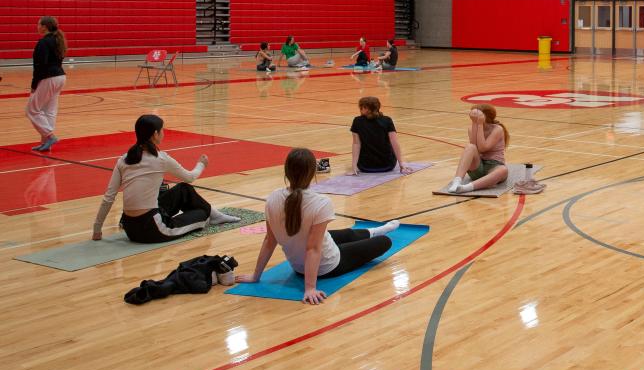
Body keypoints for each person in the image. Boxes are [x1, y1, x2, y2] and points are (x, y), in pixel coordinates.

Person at [235, 148, 400, 305]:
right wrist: (310, 288)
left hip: (298, 266)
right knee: (385, 242)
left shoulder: (272, 198)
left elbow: (269, 241)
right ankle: (380, 233)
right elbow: (313, 249)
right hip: (327, 266)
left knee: (346, 234)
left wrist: (256, 276)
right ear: (313, 173)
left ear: (286, 172)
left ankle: (377, 229)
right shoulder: (321, 203)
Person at [92, 114, 240, 243]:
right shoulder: (161, 159)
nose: (164, 134)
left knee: (183, 189)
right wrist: (201, 164)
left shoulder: (123, 159)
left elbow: (108, 198)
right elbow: (190, 177)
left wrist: (97, 229)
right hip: (152, 230)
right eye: (162, 130)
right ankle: (212, 215)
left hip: (129, 226)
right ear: (155, 134)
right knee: (202, 214)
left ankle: (216, 215)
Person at [447, 104, 510, 194]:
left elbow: (483, 148)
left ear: (485, 117)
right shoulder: (471, 128)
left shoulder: (498, 129)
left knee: (503, 170)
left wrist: (479, 124)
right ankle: (457, 181)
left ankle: (467, 187)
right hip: (478, 166)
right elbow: (475, 148)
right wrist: (475, 124)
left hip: (494, 166)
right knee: (470, 147)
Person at [28, 15, 67, 152]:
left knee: (31, 110)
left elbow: (40, 66)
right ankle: (46, 142)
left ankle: (49, 136)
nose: (37, 27)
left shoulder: (43, 42)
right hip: (60, 77)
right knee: (49, 111)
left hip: (49, 77)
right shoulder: (57, 40)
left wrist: (34, 84)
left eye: (38, 24)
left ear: (44, 27)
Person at [349, 96, 415, 174]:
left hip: (365, 166)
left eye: (361, 107)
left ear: (367, 109)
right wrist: (401, 165)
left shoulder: (357, 121)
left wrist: (354, 167)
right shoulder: (387, 120)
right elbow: (394, 142)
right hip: (387, 165)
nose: (360, 109)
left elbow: (356, 144)